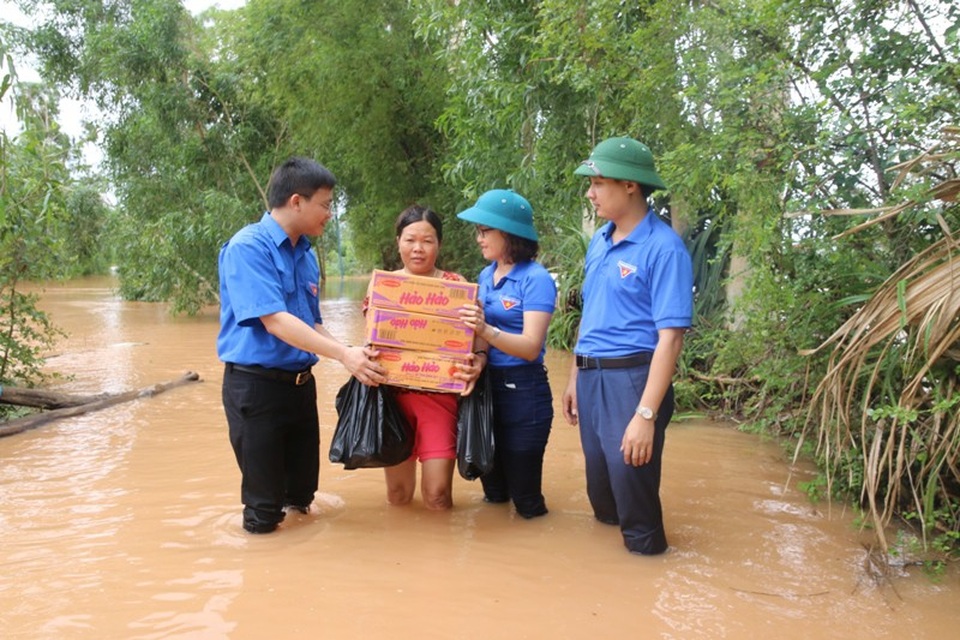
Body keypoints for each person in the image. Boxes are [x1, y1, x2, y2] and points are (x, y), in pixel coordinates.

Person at [218, 157, 386, 534]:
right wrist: (344, 355)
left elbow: (311, 323)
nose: (329, 215)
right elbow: (275, 320)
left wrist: (353, 353)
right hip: (256, 389)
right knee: (263, 512)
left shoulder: (306, 256)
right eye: (325, 205)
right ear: (297, 201)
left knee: (301, 498)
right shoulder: (248, 248)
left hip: (299, 388)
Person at [561, 137, 694, 555]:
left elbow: (670, 338)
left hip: (633, 381)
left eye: (599, 182)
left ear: (631, 185)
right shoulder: (601, 241)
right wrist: (573, 378)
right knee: (602, 494)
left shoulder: (663, 248)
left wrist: (645, 415)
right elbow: (590, 315)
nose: (590, 192)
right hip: (591, 378)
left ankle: (648, 563)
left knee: (633, 492)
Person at [361, 204, 481, 511]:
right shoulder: (382, 286)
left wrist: (478, 361)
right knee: (398, 496)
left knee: (438, 495)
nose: (418, 249)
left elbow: (477, 338)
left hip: (439, 399)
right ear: (398, 242)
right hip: (393, 400)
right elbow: (371, 340)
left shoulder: (457, 286)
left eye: (427, 241)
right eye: (410, 240)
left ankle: (442, 555)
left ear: (439, 244)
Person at [457, 189, 557, 519]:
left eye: (485, 232)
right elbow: (478, 335)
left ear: (508, 233)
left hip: (524, 393)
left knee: (526, 498)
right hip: (487, 390)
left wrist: (485, 329)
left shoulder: (536, 279)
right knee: (494, 493)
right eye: (479, 232)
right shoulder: (486, 276)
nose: (478, 239)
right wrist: (477, 352)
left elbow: (530, 347)